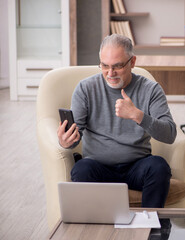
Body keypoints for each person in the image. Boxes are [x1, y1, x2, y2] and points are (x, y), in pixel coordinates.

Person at [57, 34, 177, 208]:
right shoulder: (85, 88)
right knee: (81, 169)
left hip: (137, 166)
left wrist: (138, 116)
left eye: (118, 66)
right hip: (98, 166)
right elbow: (75, 134)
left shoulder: (150, 89)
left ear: (132, 62)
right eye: (104, 66)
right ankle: (93, 232)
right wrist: (65, 141)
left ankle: (152, 229)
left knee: (159, 167)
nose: (110, 73)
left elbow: (170, 134)